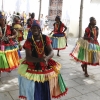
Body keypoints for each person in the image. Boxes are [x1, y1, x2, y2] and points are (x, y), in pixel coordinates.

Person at [18, 20, 68, 100]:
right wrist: (41, 59)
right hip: (33, 66)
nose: (35, 30)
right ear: (31, 30)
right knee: (34, 90)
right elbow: (28, 57)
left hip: (45, 66)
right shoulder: (29, 41)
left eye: (36, 28)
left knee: (45, 88)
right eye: (33, 28)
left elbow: (51, 52)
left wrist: (46, 58)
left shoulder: (45, 38)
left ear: (40, 29)